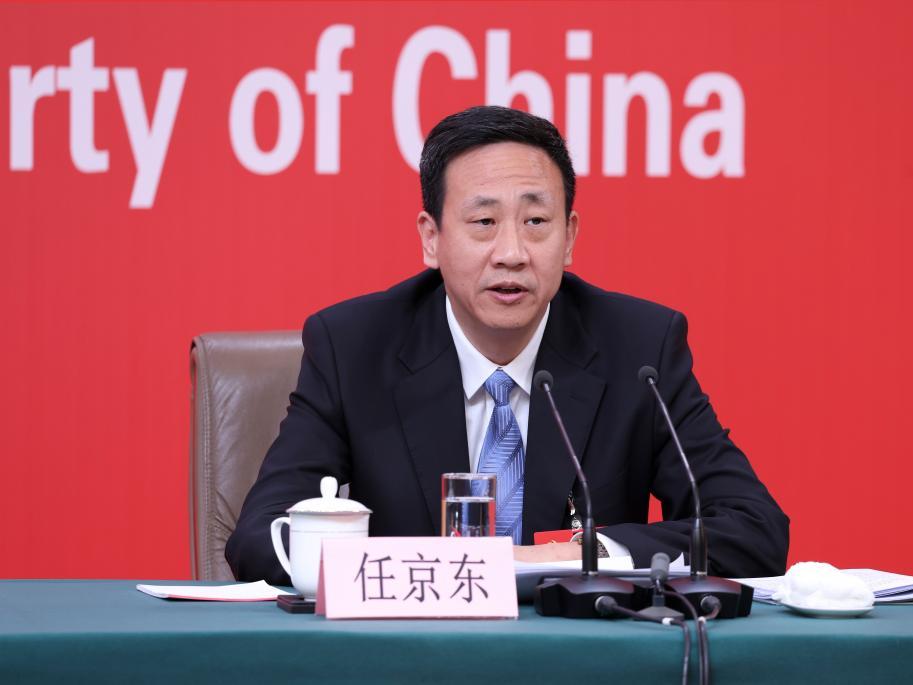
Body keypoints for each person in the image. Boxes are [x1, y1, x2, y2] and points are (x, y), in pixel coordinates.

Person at [226, 105, 788, 584]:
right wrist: (425, 571)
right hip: (407, 649)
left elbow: (755, 529)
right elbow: (260, 537)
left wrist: (576, 555)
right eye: (484, 222)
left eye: (536, 221)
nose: (512, 253)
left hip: (581, 656)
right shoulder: (354, 347)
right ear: (431, 238)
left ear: (569, 237)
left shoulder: (639, 348)